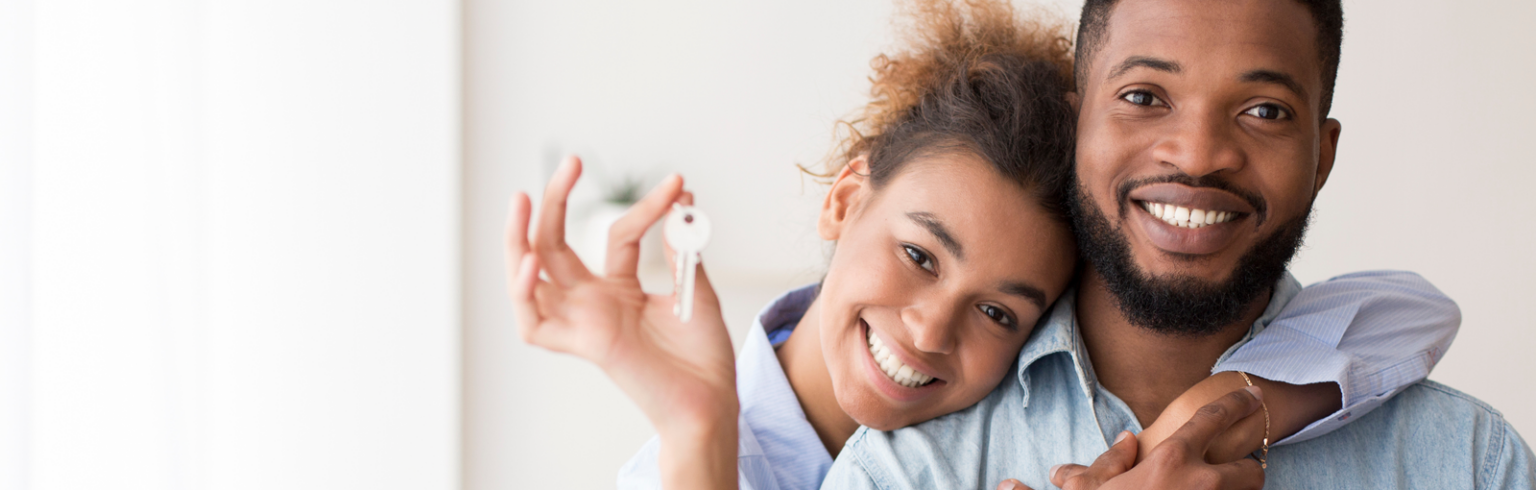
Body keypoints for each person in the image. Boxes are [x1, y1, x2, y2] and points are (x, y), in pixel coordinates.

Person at [508, 1, 1461, 489]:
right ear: (848, 193)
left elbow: (1409, 311)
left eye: (1000, 309)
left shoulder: (999, 416)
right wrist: (696, 432)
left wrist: (1218, 409)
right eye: (921, 254)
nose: (927, 332)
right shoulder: (701, 449)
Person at [818, 0, 1536, 489]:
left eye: (1264, 110)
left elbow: (1417, 308)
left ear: (1321, 156)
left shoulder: (1467, 459)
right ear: (1080, 128)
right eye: (1143, 96)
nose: (1197, 155)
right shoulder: (906, 470)